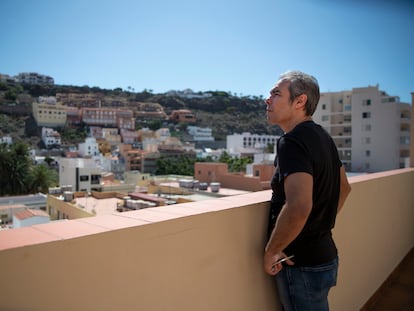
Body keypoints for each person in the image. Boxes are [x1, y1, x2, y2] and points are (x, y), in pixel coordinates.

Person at [263, 70, 351, 311]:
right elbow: (344, 188)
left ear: (300, 101)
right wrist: (318, 226)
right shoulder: (323, 137)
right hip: (325, 255)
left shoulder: (291, 141)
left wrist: (272, 251)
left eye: (276, 93)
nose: (267, 99)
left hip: (300, 264)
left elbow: (299, 205)